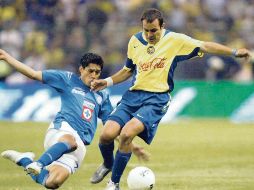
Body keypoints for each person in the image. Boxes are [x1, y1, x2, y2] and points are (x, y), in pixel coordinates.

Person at [89, 8, 252, 190]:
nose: (149, 34)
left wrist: (234, 51)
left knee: (127, 134)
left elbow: (205, 46)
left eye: (154, 31)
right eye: (146, 30)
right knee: (106, 135)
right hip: (132, 96)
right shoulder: (134, 41)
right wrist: (107, 81)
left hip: (156, 99)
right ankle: (108, 164)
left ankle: (113, 184)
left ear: (162, 26)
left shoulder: (176, 40)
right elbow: (128, 70)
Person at [0, 49, 149, 189]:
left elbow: (111, 127)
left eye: (98, 72)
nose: (94, 75)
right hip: (61, 131)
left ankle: (24, 160)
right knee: (70, 141)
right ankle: (39, 163)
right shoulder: (67, 79)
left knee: (52, 182)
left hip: (80, 147)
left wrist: (132, 145)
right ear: (81, 69)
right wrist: (7, 58)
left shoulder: (102, 95)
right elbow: (33, 74)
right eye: (90, 71)